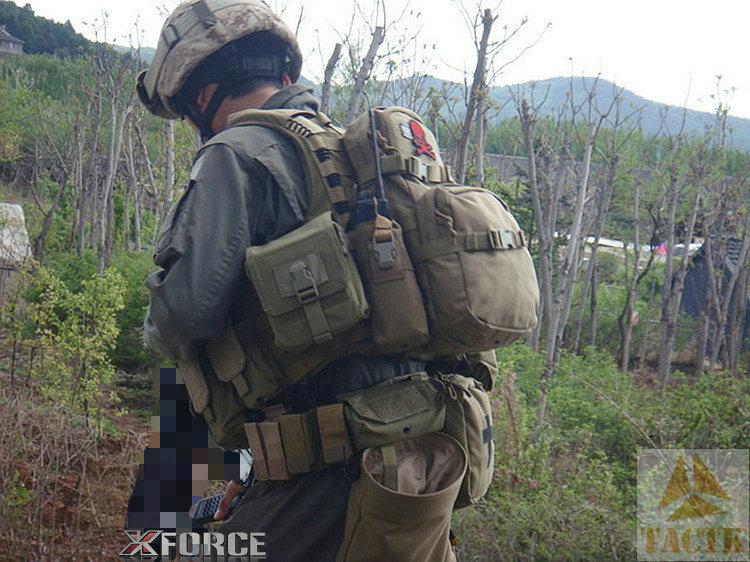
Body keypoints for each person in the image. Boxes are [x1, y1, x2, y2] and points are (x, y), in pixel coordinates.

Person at [136, 1, 468, 561]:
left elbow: (183, 318)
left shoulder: (235, 153)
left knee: (165, 548)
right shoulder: (356, 158)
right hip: (416, 465)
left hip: (331, 472)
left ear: (200, 95)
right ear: (287, 71)